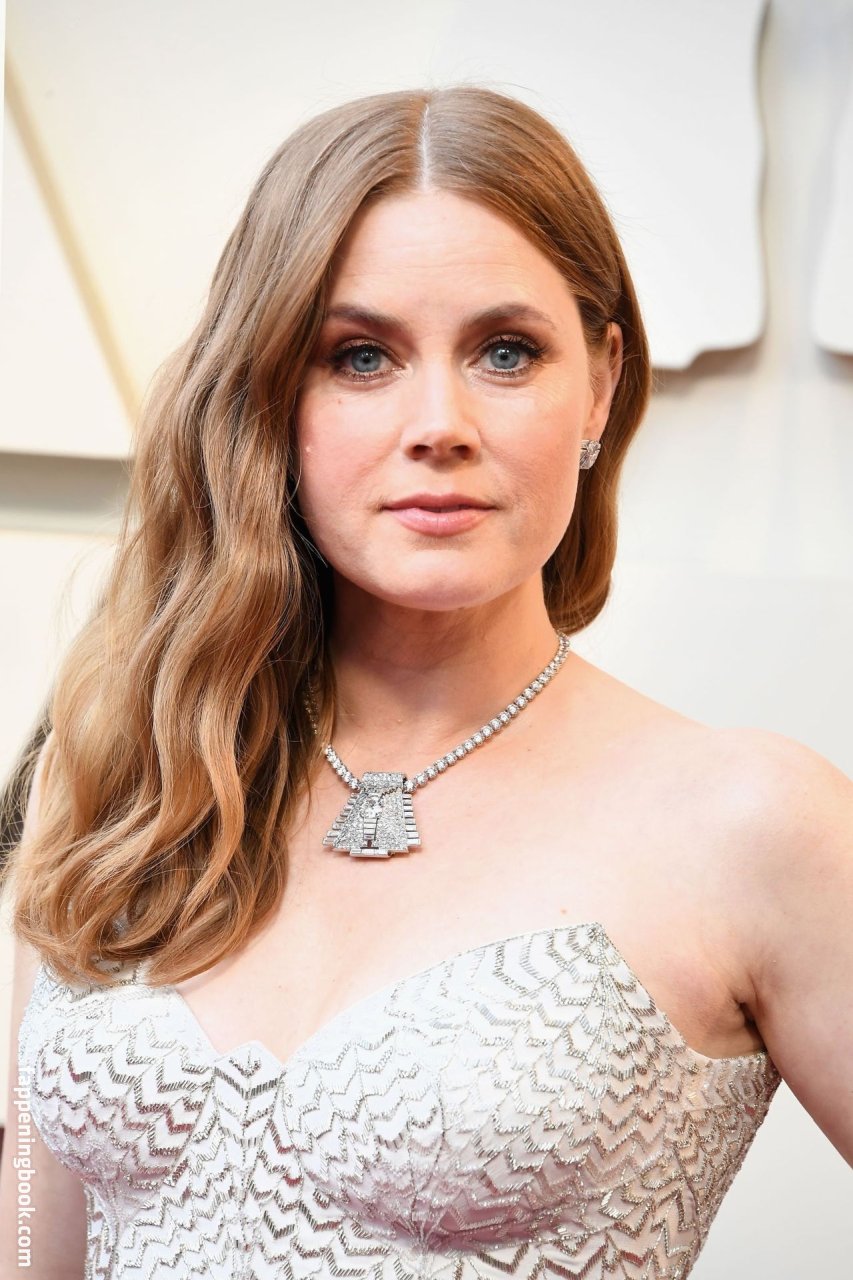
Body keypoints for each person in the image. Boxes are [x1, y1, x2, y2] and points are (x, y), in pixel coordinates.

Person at [0, 83, 850, 1280]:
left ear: (601, 383)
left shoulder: (750, 823)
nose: (438, 423)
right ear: (269, 394)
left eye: (506, 352)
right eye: (360, 356)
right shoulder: (115, 781)